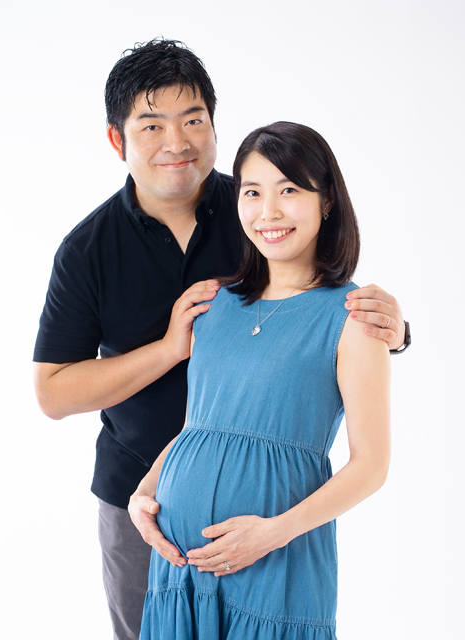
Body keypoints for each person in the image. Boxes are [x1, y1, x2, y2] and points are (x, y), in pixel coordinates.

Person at [33, 40, 407, 640]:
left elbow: (323, 319)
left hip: (272, 532)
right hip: (148, 507)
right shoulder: (90, 251)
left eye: (193, 120)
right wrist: (168, 353)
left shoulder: (255, 209)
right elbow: (54, 394)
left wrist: (395, 330)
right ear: (117, 139)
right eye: (152, 125)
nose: (176, 141)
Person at [129, 121, 391, 640]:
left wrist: (271, 534)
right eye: (252, 192)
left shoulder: (353, 316)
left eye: (288, 190)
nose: (268, 212)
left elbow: (371, 466)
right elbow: (197, 429)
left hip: (276, 566)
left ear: (326, 200)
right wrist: (144, 492)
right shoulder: (213, 305)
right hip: (180, 570)